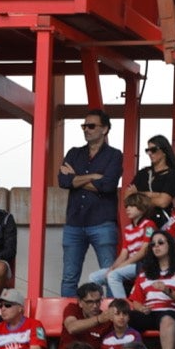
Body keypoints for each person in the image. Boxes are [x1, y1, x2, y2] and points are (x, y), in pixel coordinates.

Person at [58, 111, 124, 296]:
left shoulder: (114, 155)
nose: (86, 129)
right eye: (84, 126)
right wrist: (94, 177)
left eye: (91, 126)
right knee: (69, 277)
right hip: (74, 223)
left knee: (111, 274)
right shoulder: (73, 152)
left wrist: (76, 178)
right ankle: (69, 320)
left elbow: (108, 185)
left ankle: (113, 320)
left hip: (102, 222)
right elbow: (63, 181)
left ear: (105, 129)